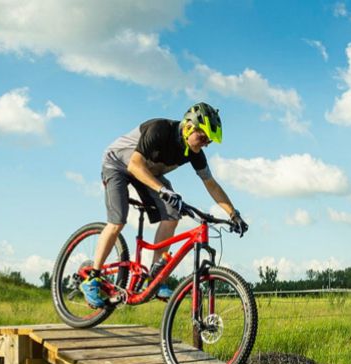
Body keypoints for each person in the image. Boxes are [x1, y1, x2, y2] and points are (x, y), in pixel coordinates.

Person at [80, 102, 248, 308]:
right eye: (203, 137)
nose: (205, 144)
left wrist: (233, 214)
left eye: (209, 141)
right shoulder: (160, 130)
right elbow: (134, 165)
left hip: (148, 173)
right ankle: (93, 278)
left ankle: (155, 278)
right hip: (117, 165)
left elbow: (211, 184)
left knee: (173, 213)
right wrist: (162, 190)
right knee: (118, 221)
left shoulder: (194, 152)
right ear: (188, 127)